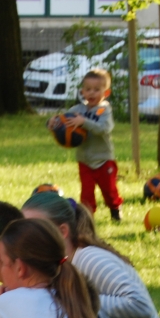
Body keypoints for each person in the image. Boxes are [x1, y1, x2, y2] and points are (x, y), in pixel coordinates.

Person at [21, 190, 160, 318]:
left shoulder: (89, 259)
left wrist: (78, 300)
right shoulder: (56, 264)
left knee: (66, 316)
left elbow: (140, 306)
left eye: (36, 229)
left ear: (62, 231)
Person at [58, 68, 124, 222]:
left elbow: (104, 129)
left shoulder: (104, 110)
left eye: (96, 89)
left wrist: (84, 122)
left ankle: (115, 208)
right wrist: (54, 123)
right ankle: (87, 218)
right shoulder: (77, 110)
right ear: (82, 91)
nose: (91, 93)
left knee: (109, 190)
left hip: (104, 159)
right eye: (88, 89)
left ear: (106, 92)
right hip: (85, 160)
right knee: (86, 192)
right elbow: (63, 120)